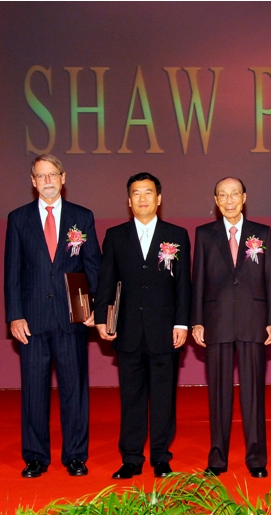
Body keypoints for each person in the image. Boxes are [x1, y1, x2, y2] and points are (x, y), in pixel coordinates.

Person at [4, 154, 101, 478]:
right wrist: (15, 316)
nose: (47, 181)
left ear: (63, 178)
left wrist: (96, 308)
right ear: (33, 181)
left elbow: (93, 266)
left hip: (72, 317)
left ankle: (75, 455)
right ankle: (35, 457)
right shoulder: (18, 219)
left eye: (52, 175)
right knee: (34, 390)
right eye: (40, 176)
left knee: (75, 390)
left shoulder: (82, 216)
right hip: (32, 320)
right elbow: (12, 272)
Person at [94, 173, 191, 479]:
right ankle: (131, 458)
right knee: (131, 397)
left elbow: (183, 285)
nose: (143, 198)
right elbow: (106, 280)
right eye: (136, 193)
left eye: (148, 192)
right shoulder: (115, 236)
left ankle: (161, 456)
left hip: (165, 329)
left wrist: (182, 322)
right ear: (129, 201)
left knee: (164, 397)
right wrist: (102, 317)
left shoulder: (176, 235)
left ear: (159, 199)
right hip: (128, 329)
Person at [191, 177, 271, 478]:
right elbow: (198, 280)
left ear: (244, 197)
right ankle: (217, 458)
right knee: (218, 393)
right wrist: (197, 320)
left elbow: (270, 278)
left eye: (234, 194)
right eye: (222, 195)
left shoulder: (261, 232)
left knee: (253, 393)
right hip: (216, 320)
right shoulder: (204, 234)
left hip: (253, 319)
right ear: (216, 201)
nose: (229, 200)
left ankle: (256, 459)